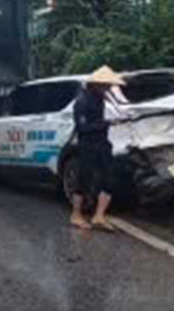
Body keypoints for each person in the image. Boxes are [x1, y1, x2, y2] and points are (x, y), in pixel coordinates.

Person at [69, 65, 125, 231]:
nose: (109, 88)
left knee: (109, 178)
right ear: (97, 84)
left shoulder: (100, 98)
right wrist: (106, 124)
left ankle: (99, 216)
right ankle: (76, 215)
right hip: (87, 145)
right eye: (106, 85)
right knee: (83, 180)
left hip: (102, 143)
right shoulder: (82, 101)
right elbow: (82, 128)